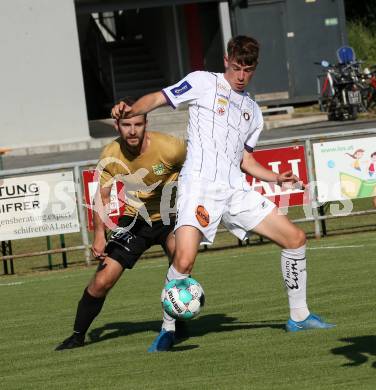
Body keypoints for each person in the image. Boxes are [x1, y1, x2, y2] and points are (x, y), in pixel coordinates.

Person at [112, 35, 335, 353]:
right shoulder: (203, 82)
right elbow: (159, 99)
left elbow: (245, 160)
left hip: (235, 190)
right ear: (227, 61)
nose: (242, 75)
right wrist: (130, 109)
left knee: (295, 238)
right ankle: (167, 329)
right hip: (199, 186)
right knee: (185, 260)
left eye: (248, 69)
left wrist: (276, 177)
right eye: (237, 67)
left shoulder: (253, 112)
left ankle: (299, 316)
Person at [55, 97, 186, 350]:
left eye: (138, 123)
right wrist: (99, 235)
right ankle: (77, 336)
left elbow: (198, 172)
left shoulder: (171, 147)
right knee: (102, 280)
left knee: (180, 262)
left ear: (146, 122)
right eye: (127, 125)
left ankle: (178, 324)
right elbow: (102, 197)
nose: (133, 130)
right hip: (136, 219)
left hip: (172, 216)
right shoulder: (110, 154)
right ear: (118, 126)